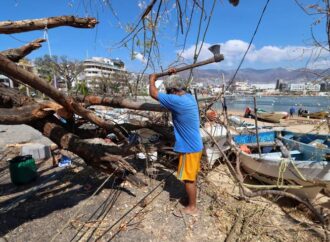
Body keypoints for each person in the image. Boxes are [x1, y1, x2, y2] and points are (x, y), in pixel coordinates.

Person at [149, 69, 203, 216]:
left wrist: (152, 78)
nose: (168, 93)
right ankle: (191, 200)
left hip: (189, 148)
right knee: (191, 176)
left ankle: (192, 207)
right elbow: (173, 89)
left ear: (173, 90)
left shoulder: (176, 101)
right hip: (196, 145)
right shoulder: (189, 97)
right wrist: (170, 75)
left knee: (188, 179)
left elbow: (153, 93)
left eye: (169, 90)